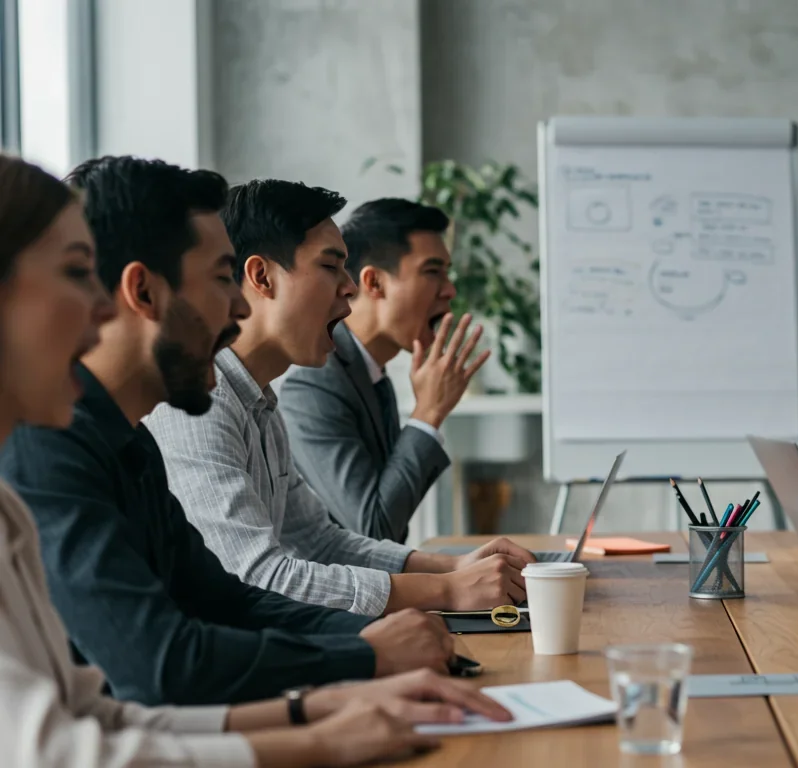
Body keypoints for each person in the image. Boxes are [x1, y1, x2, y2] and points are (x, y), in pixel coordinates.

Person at [0, 153, 512, 767]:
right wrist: (350, 682)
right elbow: (157, 668)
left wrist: (331, 695)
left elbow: (127, 689)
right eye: (79, 274)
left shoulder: (125, 441)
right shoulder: (43, 456)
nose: (98, 313)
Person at [144, 179, 536, 617]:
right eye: (331, 266)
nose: (349, 288)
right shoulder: (202, 405)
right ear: (261, 277)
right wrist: (445, 590)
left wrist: (454, 568)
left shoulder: (260, 404)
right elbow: (257, 577)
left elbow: (320, 539)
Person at [280, 198, 488, 543]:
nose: (450, 290)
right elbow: (374, 529)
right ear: (374, 283)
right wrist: (428, 414)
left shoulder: (374, 375)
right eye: (433, 271)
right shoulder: (314, 385)